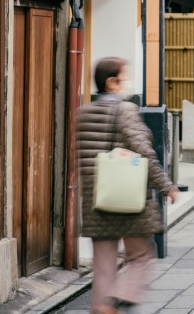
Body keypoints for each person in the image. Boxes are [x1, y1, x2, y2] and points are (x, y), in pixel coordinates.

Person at [76, 58, 180, 314]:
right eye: (124, 77)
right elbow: (144, 152)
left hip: (97, 199)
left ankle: (102, 305)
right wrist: (167, 186)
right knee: (140, 256)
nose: (127, 83)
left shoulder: (83, 113)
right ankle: (120, 294)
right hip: (128, 200)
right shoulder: (125, 111)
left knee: (103, 266)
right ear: (111, 82)